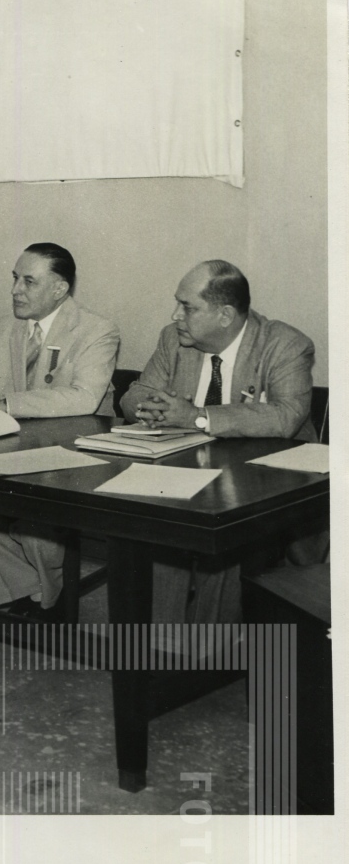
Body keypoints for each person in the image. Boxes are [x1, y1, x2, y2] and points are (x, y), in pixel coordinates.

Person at [0, 243, 119, 617]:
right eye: (15, 278)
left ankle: (47, 602)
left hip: (75, 456)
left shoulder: (97, 330)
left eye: (29, 281)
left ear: (59, 289)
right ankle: (28, 589)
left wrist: (7, 405)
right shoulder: (7, 327)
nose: (15, 290)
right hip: (16, 450)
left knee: (35, 521)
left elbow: (84, 398)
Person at [120, 259, 316, 623]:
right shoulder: (173, 339)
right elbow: (134, 395)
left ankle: (207, 647)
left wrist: (196, 416)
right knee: (159, 528)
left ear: (225, 315)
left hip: (267, 481)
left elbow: (286, 416)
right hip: (187, 471)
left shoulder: (284, 344)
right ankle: (163, 645)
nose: (176, 315)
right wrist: (151, 407)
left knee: (225, 544)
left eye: (188, 307)